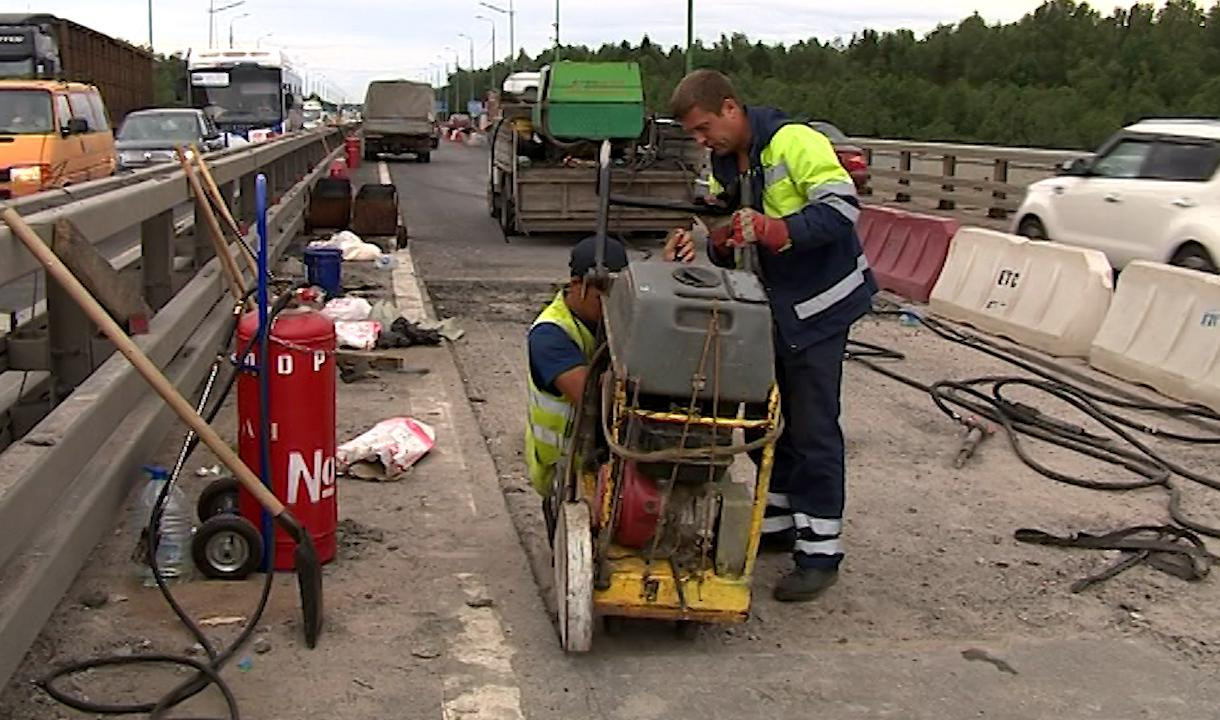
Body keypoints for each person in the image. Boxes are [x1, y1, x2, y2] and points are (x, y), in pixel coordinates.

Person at [664, 69, 877, 602]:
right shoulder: (721, 162)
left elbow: (842, 210)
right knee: (767, 421)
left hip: (819, 307)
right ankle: (779, 527)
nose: (700, 140)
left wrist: (778, 230)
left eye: (704, 127)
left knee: (812, 429)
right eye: (693, 133)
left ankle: (820, 553)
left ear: (731, 108)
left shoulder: (794, 142)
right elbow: (722, 227)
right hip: (771, 311)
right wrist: (705, 243)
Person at [525, 235, 630, 504]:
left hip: (602, 458)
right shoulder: (549, 334)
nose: (610, 306)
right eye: (601, 297)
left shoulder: (607, 319)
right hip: (564, 471)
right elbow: (593, 397)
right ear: (576, 285)